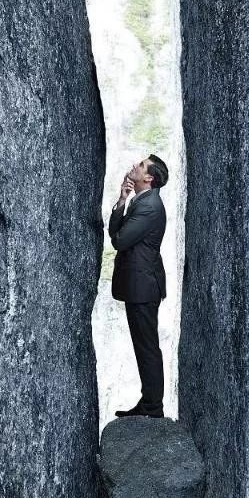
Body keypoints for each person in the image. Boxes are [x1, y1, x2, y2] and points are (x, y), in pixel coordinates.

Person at [108, 155, 169, 418]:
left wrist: (122, 219)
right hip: (140, 285)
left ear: (149, 178)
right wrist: (122, 200)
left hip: (144, 287)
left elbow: (119, 240)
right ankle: (148, 403)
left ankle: (153, 408)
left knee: (147, 348)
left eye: (141, 165)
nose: (135, 165)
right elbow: (116, 232)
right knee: (144, 346)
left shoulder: (150, 207)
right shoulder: (141, 201)